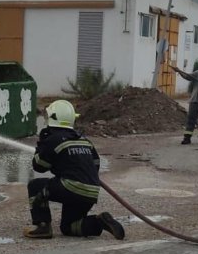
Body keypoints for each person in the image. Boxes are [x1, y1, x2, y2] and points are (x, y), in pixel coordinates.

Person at [25, 99, 125, 240]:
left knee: (35, 186)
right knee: (69, 227)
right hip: (90, 191)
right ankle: (100, 222)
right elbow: (96, 164)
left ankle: (42, 227)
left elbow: (39, 166)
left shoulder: (53, 139)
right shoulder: (83, 140)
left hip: (71, 187)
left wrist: (41, 146)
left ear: (52, 118)